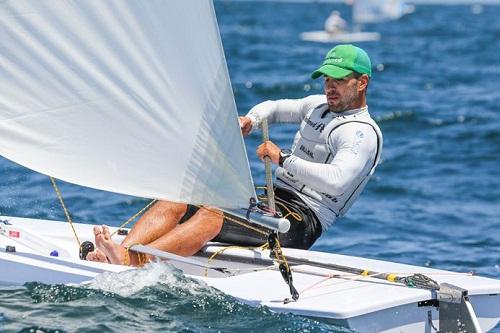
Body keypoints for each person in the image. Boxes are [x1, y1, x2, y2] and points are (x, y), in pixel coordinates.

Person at [87, 44, 382, 266]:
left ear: (362, 82)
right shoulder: (316, 105)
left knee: (213, 214)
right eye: (327, 78)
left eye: (340, 80)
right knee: (183, 194)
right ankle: (124, 250)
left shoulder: (361, 134)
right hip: (271, 198)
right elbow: (275, 108)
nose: (331, 86)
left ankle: (133, 262)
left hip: (302, 219)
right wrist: (251, 120)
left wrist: (284, 159)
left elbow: (337, 181)